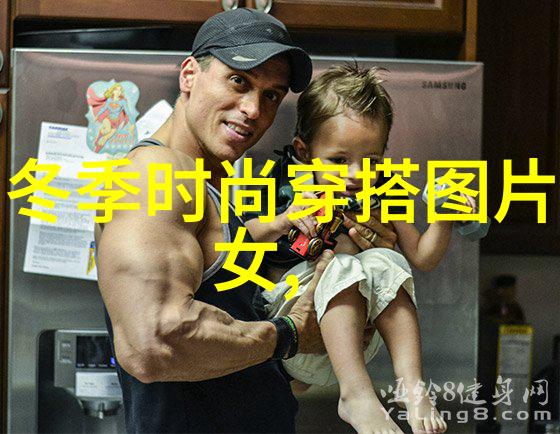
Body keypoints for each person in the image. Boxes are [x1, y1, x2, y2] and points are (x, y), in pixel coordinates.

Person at [94, 9, 394, 433]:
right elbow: (153, 344)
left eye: (271, 95)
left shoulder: (212, 186)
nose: (253, 109)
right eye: (238, 81)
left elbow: (240, 362)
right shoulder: (156, 174)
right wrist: (290, 334)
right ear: (189, 75)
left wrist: (324, 324)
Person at [245, 64, 477, 434]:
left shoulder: (384, 189)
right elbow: (241, 239)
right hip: (296, 333)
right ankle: (355, 395)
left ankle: (411, 386)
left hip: (357, 342)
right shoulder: (282, 180)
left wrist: (444, 218)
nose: (356, 174)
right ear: (304, 151)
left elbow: (423, 257)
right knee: (343, 265)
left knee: (386, 260)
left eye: (371, 161)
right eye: (339, 160)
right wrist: (283, 220)